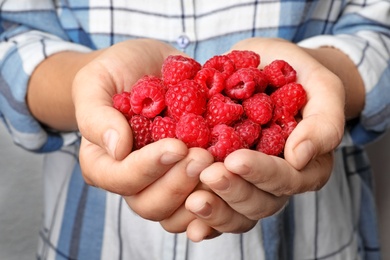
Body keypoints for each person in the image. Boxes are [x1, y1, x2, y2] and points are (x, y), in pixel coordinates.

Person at [0, 1, 389, 259]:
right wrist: (88, 88)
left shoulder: (249, 105)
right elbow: (14, 40)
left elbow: (378, 31)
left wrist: (325, 76)